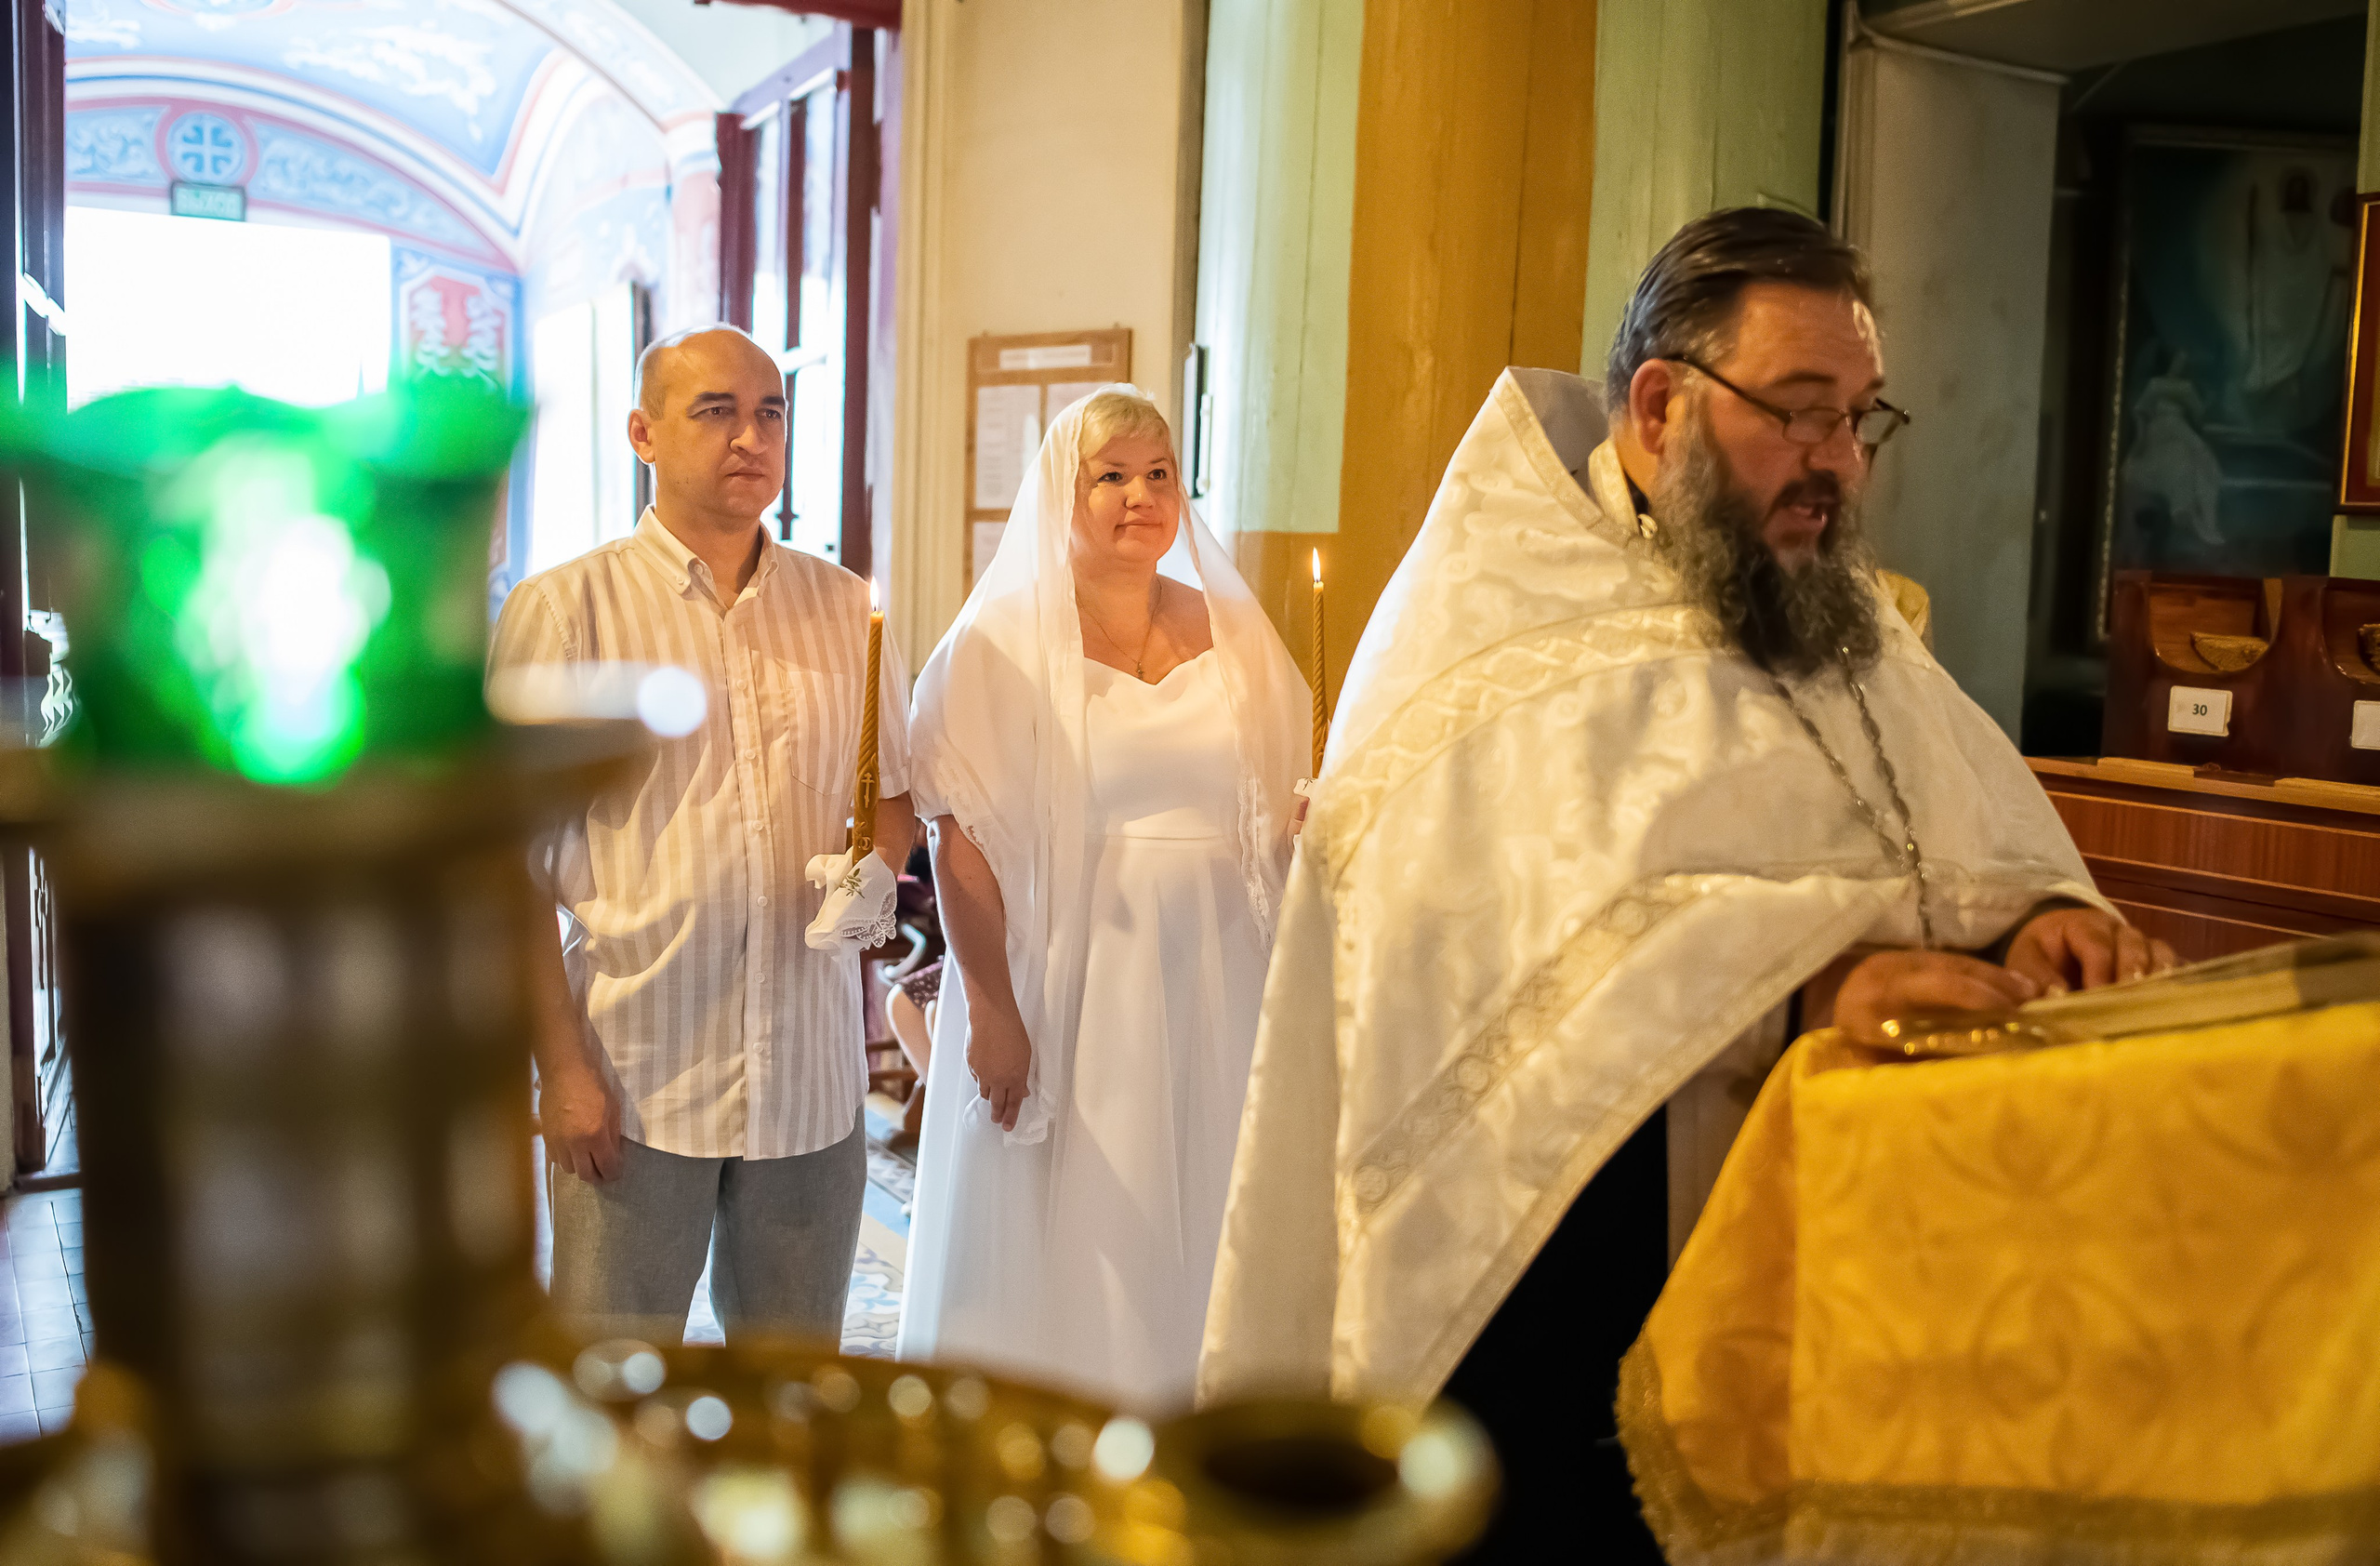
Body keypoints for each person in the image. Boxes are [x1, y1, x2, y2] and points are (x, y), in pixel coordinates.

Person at [1197, 209, 2174, 1557]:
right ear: (1659, 405)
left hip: (1861, 1287)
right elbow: (1464, 969)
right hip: (1588, 1307)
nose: (1837, 463)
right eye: (1800, 412)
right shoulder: (1482, 637)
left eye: (1861, 421)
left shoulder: (1840, 613)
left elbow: (1956, 822)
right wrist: (1807, 991)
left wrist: (2047, 914)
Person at [489, 325, 916, 1346]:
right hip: (636, 1077)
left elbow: (891, 793)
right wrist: (563, 1071)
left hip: (807, 1078)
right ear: (642, 432)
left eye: (769, 412)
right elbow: (500, 868)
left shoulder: (842, 604)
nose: (749, 437)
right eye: (713, 410)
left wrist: (880, 872)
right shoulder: (568, 611)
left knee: (790, 1389)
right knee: (613, 1389)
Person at [897, 387, 1308, 1410]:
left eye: (1158, 474)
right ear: (1061, 493)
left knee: (1217, 1204)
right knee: (1085, 1221)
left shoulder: (1234, 629)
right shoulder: (999, 644)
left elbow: (1273, 807)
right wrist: (993, 1009)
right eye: (1111, 475)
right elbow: (964, 847)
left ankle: (1205, 1432)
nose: (1140, 496)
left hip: (1220, 966)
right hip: (1074, 973)